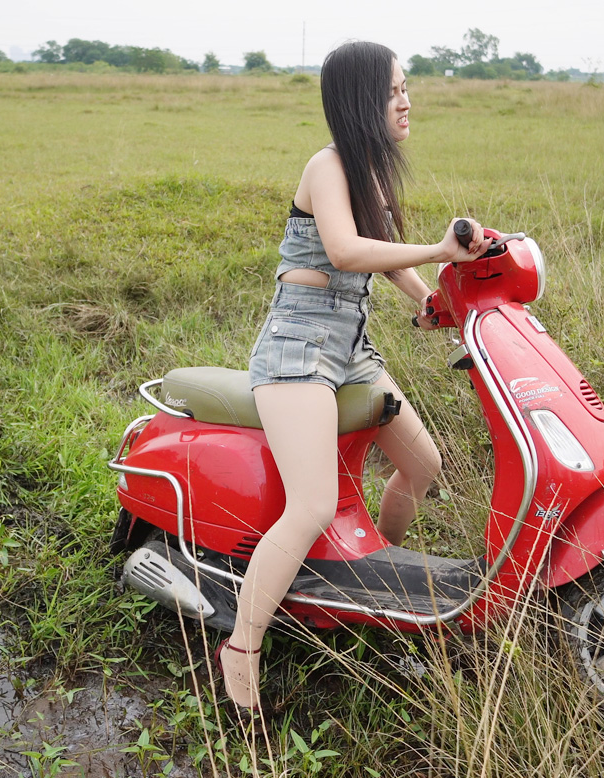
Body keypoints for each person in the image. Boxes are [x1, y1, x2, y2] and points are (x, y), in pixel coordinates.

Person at [214, 40, 491, 722]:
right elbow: (344, 250)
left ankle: (378, 580)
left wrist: (434, 303)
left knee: (424, 464)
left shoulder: (369, 174)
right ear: (361, 99)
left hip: (351, 345)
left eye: (408, 86)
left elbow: (387, 261)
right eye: (395, 89)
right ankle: (241, 648)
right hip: (298, 346)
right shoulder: (328, 165)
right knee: (311, 505)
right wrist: (438, 249)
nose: (407, 99)